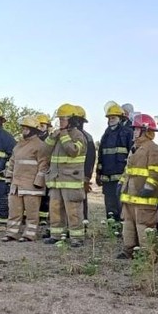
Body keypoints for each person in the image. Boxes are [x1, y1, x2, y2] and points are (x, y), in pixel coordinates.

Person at [117, 114, 158, 258]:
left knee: (144, 226)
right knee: (128, 225)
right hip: (129, 196)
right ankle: (128, 251)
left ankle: (149, 254)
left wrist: (149, 188)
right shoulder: (135, 148)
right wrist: (121, 184)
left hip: (144, 198)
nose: (134, 132)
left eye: (136, 129)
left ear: (145, 130)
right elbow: (128, 171)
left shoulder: (153, 149)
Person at [45, 103, 88, 246]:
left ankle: (77, 238)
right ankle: (56, 235)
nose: (60, 122)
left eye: (63, 119)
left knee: (74, 211)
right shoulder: (57, 135)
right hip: (56, 180)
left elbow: (73, 151)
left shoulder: (78, 135)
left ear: (72, 120)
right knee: (55, 209)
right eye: (60, 119)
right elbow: (44, 152)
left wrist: (63, 135)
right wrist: (52, 137)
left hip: (71, 180)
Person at [3, 115, 50, 242]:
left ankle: (29, 234)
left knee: (32, 214)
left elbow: (43, 165)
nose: (23, 130)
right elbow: (12, 162)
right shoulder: (18, 145)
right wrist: (9, 178)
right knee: (14, 211)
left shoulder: (41, 146)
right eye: (22, 128)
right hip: (16, 186)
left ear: (34, 130)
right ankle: (11, 233)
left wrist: (39, 183)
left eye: (26, 128)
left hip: (32, 187)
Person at [97, 101, 134, 223]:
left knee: (122, 205)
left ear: (120, 118)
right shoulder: (106, 134)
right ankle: (113, 229)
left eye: (113, 117)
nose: (111, 120)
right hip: (107, 178)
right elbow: (101, 155)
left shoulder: (128, 133)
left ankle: (124, 230)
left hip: (121, 178)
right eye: (109, 118)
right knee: (110, 205)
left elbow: (132, 155)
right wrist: (98, 173)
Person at [72, 105, 96, 224]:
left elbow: (90, 158)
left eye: (78, 120)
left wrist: (87, 177)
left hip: (80, 176)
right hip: (65, 176)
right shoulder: (63, 136)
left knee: (81, 200)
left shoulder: (87, 137)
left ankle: (83, 223)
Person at [35, 113, 53, 235]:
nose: (41, 127)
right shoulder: (33, 138)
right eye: (39, 125)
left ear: (47, 127)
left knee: (45, 195)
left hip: (46, 169)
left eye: (43, 125)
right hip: (34, 170)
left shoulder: (50, 139)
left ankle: (43, 218)